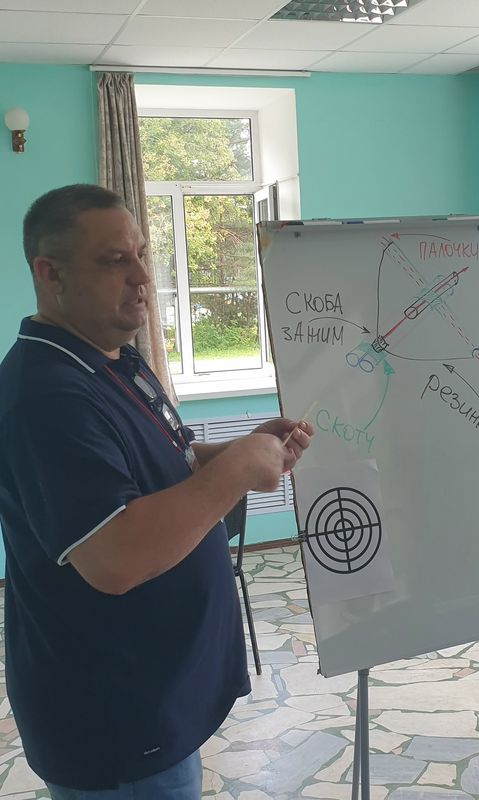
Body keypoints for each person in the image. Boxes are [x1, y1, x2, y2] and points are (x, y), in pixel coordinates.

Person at [0, 184, 314, 799]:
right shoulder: (45, 395)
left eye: (142, 255)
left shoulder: (113, 359)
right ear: (50, 273)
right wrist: (238, 470)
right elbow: (114, 557)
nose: (143, 277)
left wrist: (244, 447)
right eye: (115, 260)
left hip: (157, 695)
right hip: (115, 716)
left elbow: (169, 462)